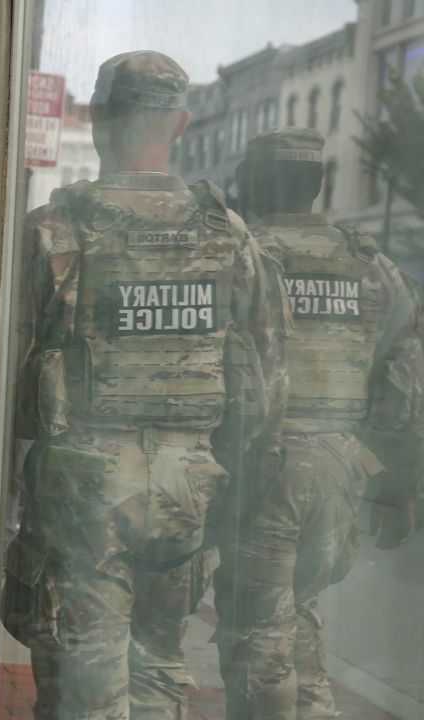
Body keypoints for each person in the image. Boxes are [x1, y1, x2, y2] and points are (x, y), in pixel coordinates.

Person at [2, 51, 289, 720]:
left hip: (85, 493)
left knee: (86, 685)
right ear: (182, 124)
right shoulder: (231, 236)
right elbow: (266, 384)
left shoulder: (53, 231)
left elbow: (9, 382)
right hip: (189, 486)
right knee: (159, 673)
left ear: (99, 117)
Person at [213, 128, 423, 720]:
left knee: (257, 642)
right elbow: (407, 392)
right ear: (317, 184)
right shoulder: (374, 268)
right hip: (340, 469)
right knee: (297, 616)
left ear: (251, 182)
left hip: (264, 467)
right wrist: (399, 493)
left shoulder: (241, 257)